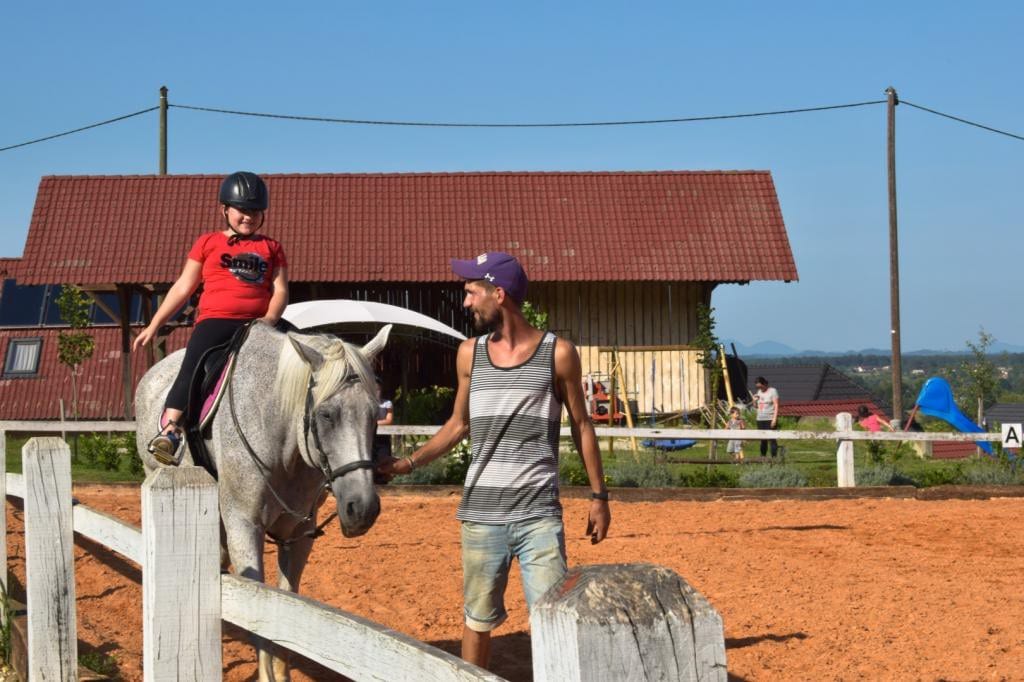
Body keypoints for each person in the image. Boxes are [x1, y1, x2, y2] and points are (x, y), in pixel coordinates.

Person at [377, 251, 611, 670]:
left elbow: (582, 425)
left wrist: (599, 496)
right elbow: (457, 424)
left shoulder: (559, 354)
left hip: (540, 515)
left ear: (497, 294)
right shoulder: (469, 354)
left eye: (471, 293)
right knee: (477, 620)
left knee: (553, 617)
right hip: (481, 516)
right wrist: (406, 464)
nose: (466, 303)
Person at [132, 171, 288, 465]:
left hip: (260, 323)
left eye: (255, 211)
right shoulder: (207, 243)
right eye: (242, 210)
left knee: (305, 357)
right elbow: (183, 287)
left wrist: (269, 319)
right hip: (217, 320)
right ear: (225, 210)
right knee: (193, 362)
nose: (248, 217)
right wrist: (155, 324)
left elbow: (280, 290)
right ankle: (172, 430)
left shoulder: (272, 247)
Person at [753, 376, 779, 458]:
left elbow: (776, 405)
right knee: (762, 439)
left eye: (760, 386)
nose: (759, 388)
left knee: (772, 439)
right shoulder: (759, 392)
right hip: (760, 419)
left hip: (769, 418)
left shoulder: (772, 391)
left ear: (764, 384)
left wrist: (774, 419)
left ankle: (774, 458)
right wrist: (754, 400)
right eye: (758, 387)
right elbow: (756, 407)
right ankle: (763, 457)